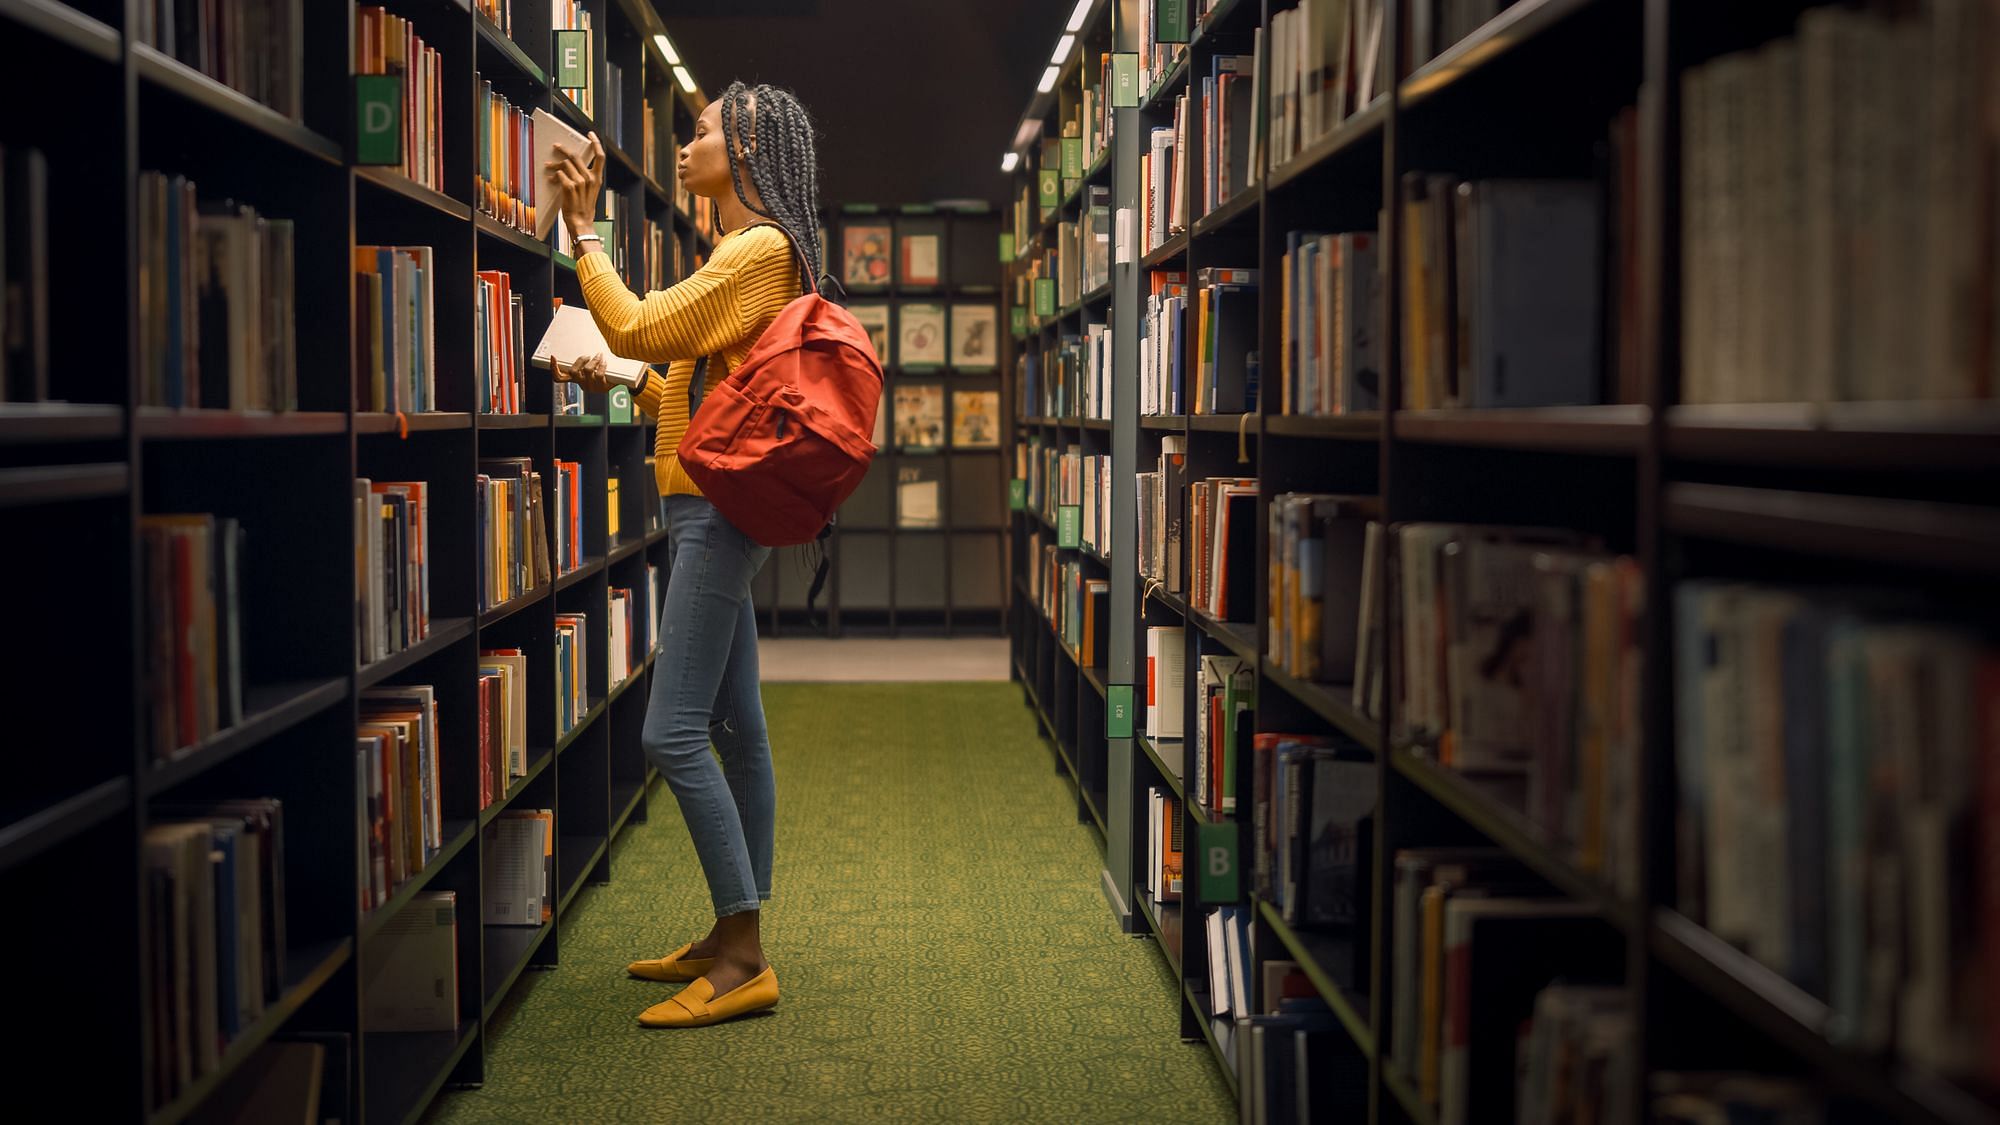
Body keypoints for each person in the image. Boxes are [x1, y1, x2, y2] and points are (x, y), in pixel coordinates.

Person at [542, 81, 822, 1029]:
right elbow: (686, 371)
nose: (684, 145)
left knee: (671, 733)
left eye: (699, 133)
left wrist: (584, 234)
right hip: (708, 503)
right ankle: (731, 926)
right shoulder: (748, 252)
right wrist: (624, 374)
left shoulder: (756, 248)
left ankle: (743, 954)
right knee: (736, 723)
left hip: (712, 514)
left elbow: (636, 317)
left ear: (743, 147)